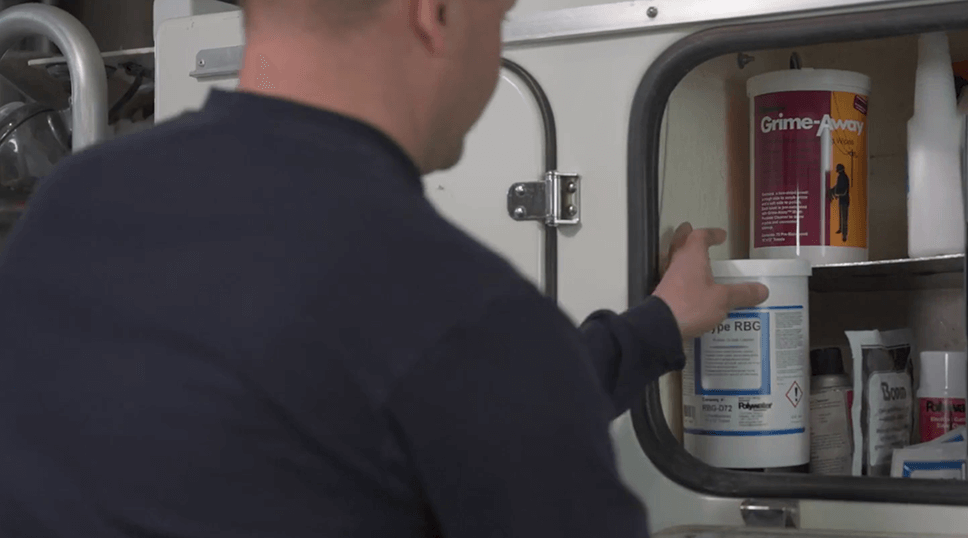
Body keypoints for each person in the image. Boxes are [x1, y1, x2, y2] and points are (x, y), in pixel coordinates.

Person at [0, 0, 768, 536]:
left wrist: (655, 326)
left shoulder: (74, 204)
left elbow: (369, 398)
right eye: (497, 19)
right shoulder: (468, 311)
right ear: (435, 14)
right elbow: (440, 374)